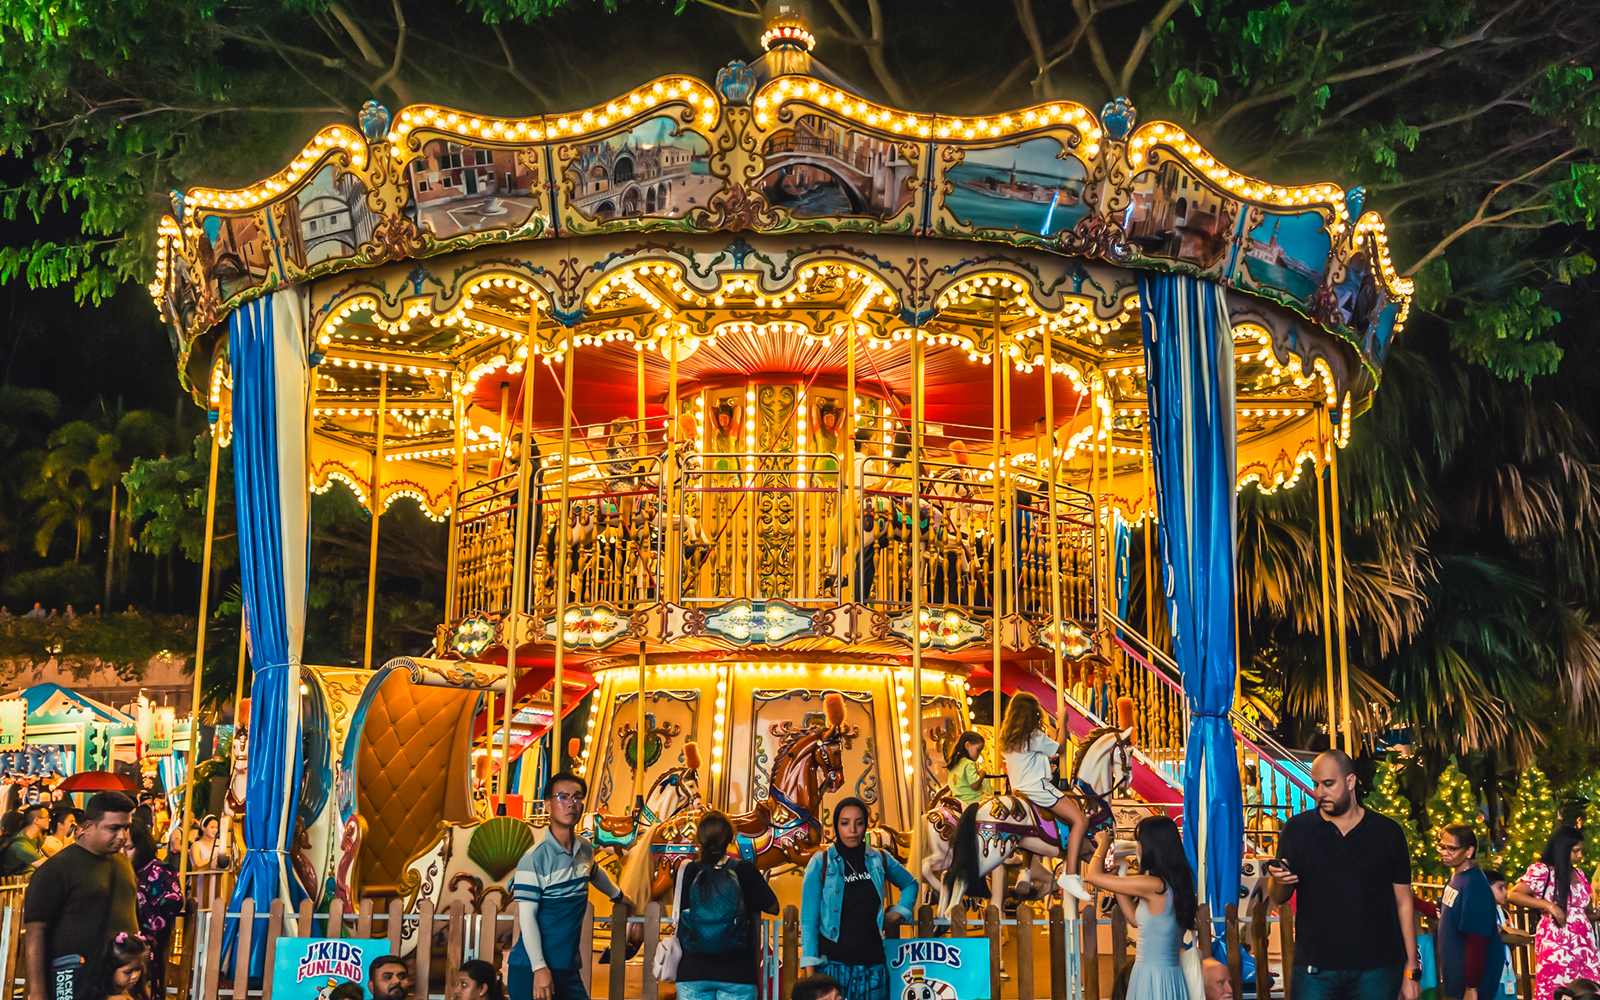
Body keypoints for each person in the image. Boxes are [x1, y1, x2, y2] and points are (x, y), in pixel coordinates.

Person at [1265, 749, 1420, 1000]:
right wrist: (1278, 881)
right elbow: (1279, 896)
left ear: (1350, 782)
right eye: (1316, 784)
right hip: (1315, 969)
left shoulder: (1387, 832)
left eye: (1328, 784)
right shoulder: (1297, 830)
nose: (1319, 793)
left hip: (1378, 970)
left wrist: (1411, 970)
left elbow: (1404, 903)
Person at [510, 772, 631, 1000]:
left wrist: (619, 895)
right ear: (547, 805)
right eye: (563, 797)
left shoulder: (584, 848)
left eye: (577, 797)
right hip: (533, 967)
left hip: (566, 966)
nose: (571, 803)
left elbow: (594, 872)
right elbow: (527, 918)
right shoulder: (533, 860)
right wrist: (539, 968)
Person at [799, 796, 918, 1000]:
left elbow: (911, 884)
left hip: (873, 968)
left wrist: (899, 912)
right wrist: (810, 971)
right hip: (833, 968)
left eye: (859, 822)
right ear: (836, 826)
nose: (852, 830)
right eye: (845, 823)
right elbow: (809, 919)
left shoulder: (879, 859)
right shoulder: (821, 862)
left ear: (866, 825)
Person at [23, 791, 139, 1000]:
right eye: (113, 828)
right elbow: (35, 932)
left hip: (114, 984)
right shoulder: (57, 869)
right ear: (87, 826)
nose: (122, 836)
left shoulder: (123, 865)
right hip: (70, 978)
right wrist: (38, 992)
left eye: (126, 828)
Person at [1084, 817, 1196, 1000]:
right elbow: (1136, 920)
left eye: (1139, 842)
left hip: (1152, 975)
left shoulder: (1154, 885)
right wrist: (1118, 882)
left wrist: (1103, 845)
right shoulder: (1172, 884)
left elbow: (1093, 876)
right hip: (1169, 975)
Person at [675, 810, 780, 1000]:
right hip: (737, 973)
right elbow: (774, 906)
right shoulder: (744, 870)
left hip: (693, 971)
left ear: (699, 838)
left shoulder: (689, 870)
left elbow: (682, 912)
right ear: (731, 837)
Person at [997, 692, 1091, 901]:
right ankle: (1072, 874)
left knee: (1033, 830)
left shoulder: (1010, 739)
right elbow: (1060, 747)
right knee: (1080, 820)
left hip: (1018, 792)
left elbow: (1035, 759)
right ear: (1032, 714)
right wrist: (1062, 723)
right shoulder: (1033, 735)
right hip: (1038, 790)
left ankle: (1026, 870)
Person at [1509, 827, 1600, 1000]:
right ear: (1562, 849)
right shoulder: (1543, 871)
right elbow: (1514, 894)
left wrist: (1594, 914)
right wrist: (1548, 905)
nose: (1580, 855)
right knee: (1558, 988)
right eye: (1575, 851)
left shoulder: (1579, 873)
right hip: (1557, 943)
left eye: (1581, 850)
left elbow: (1582, 910)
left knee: (1586, 990)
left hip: (1584, 946)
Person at [1435, 823, 1505, 1000]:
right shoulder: (1457, 877)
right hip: (1456, 977)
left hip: (1473, 983)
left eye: (1452, 849)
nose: (1444, 852)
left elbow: (1477, 939)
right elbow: (1442, 911)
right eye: (1441, 847)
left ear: (1469, 851)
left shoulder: (1474, 886)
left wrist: (1472, 987)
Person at [124, 823, 181, 999]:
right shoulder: (121, 870)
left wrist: (139, 896)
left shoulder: (161, 871)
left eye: (129, 848)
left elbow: (171, 906)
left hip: (148, 945)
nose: (123, 854)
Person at [1485, 870, 1528, 1000]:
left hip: (1507, 976)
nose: (1505, 892)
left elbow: (1518, 935)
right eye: (1500, 888)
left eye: (1505, 887)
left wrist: (1505, 930)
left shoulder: (1503, 914)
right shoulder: (1482, 912)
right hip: (1488, 977)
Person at [82, 932, 149, 1000]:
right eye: (128, 972)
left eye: (139, 969)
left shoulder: (131, 991)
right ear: (110, 970)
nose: (135, 975)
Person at [2, 804, 50, 875]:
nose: (49, 819)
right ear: (36, 820)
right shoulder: (21, 845)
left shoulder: (35, 836)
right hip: (18, 883)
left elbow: (48, 850)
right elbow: (47, 866)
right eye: (47, 817)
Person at [943, 731, 986, 806]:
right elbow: (974, 785)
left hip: (959, 801)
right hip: (974, 800)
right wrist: (982, 773)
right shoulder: (969, 764)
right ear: (967, 745)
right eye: (978, 750)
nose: (979, 754)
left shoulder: (955, 763)